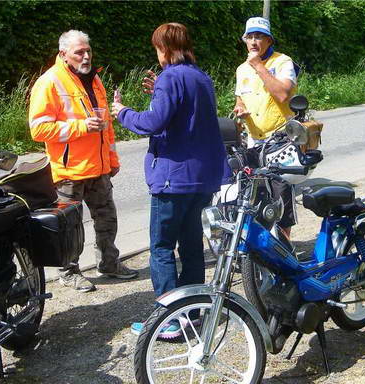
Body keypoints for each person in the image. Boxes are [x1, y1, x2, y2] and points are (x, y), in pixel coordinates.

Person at [111, 23, 226, 338]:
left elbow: (153, 122)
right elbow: (183, 115)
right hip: (202, 179)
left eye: (158, 49)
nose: (158, 55)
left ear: (165, 48)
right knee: (190, 245)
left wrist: (122, 112)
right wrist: (159, 92)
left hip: (173, 179)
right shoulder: (201, 78)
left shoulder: (170, 78)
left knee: (161, 247)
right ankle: (193, 314)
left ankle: (170, 320)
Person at [29, 30, 138, 292]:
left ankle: (109, 263)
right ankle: (69, 272)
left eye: (88, 50)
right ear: (64, 54)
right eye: (80, 52)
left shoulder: (94, 79)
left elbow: (106, 126)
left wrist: (112, 158)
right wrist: (80, 127)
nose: (86, 56)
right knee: (69, 227)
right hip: (69, 170)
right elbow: (39, 130)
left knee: (107, 219)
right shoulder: (50, 82)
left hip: (98, 167)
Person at [233, 16, 299, 239]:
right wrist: (240, 109)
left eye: (259, 37)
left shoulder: (282, 62)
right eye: (249, 37)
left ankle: (284, 244)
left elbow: (282, 94)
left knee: (280, 194)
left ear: (269, 41)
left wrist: (259, 66)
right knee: (256, 194)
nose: (253, 41)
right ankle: (262, 245)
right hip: (254, 139)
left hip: (280, 140)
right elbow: (239, 99)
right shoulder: (242, 69)